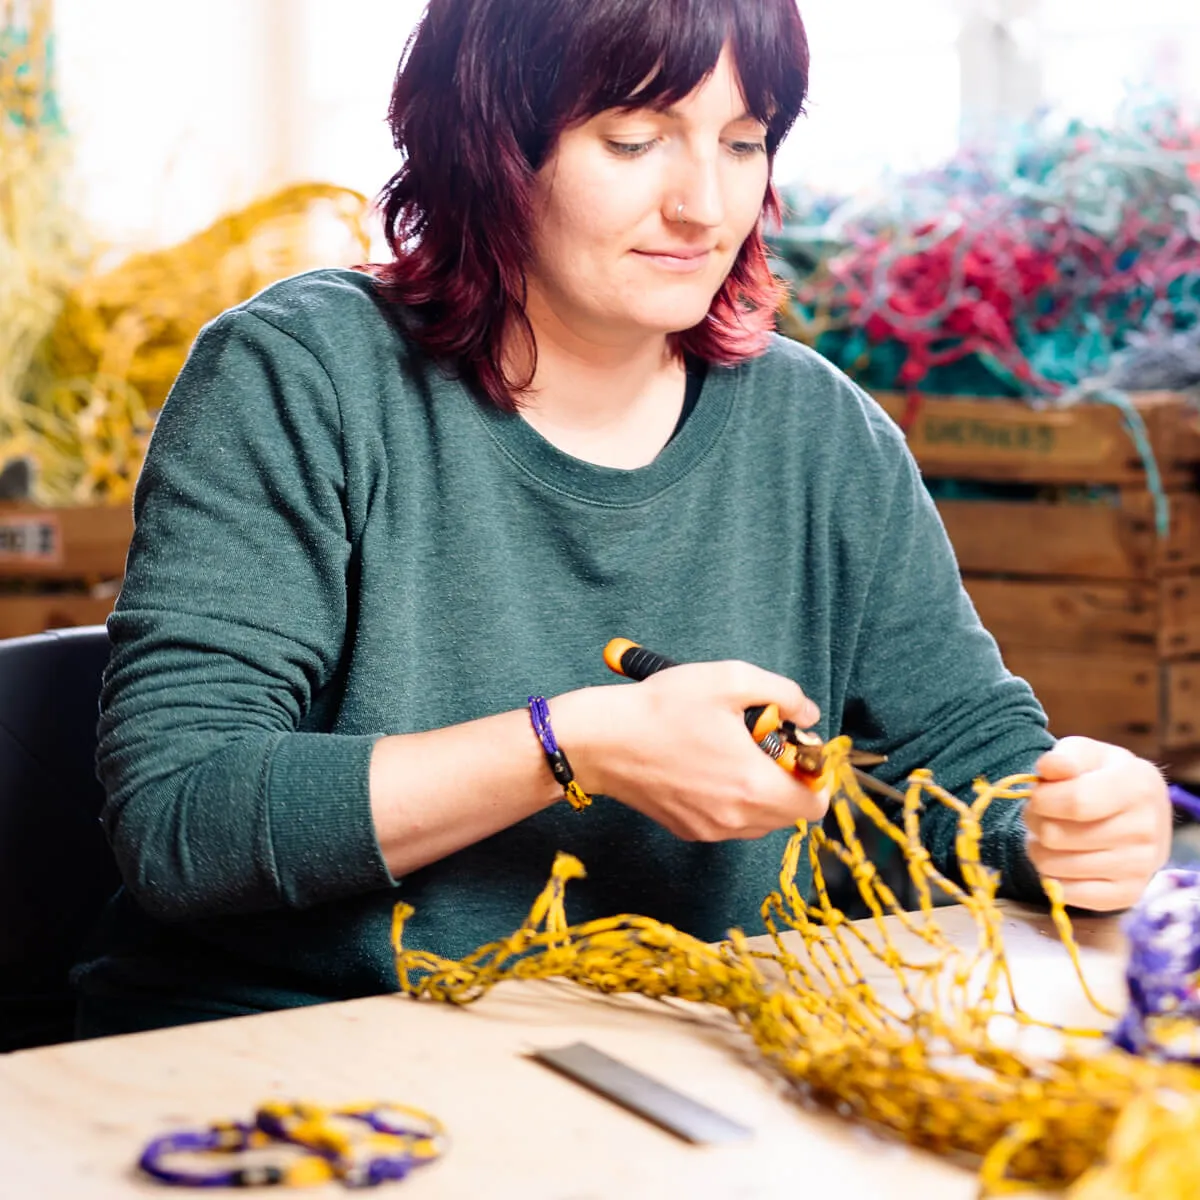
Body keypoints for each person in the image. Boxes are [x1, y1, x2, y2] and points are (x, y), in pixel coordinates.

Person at [74, 0, 1170, 1037]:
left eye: (744, 142)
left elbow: (966, 766)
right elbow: (182, 818)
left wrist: (1064, 829)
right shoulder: (301, 378)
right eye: (637, 138)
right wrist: (576, 744)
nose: (704, 205)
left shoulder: (822, 433)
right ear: (490, 144)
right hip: (292, 1073)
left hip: (674, 1053)